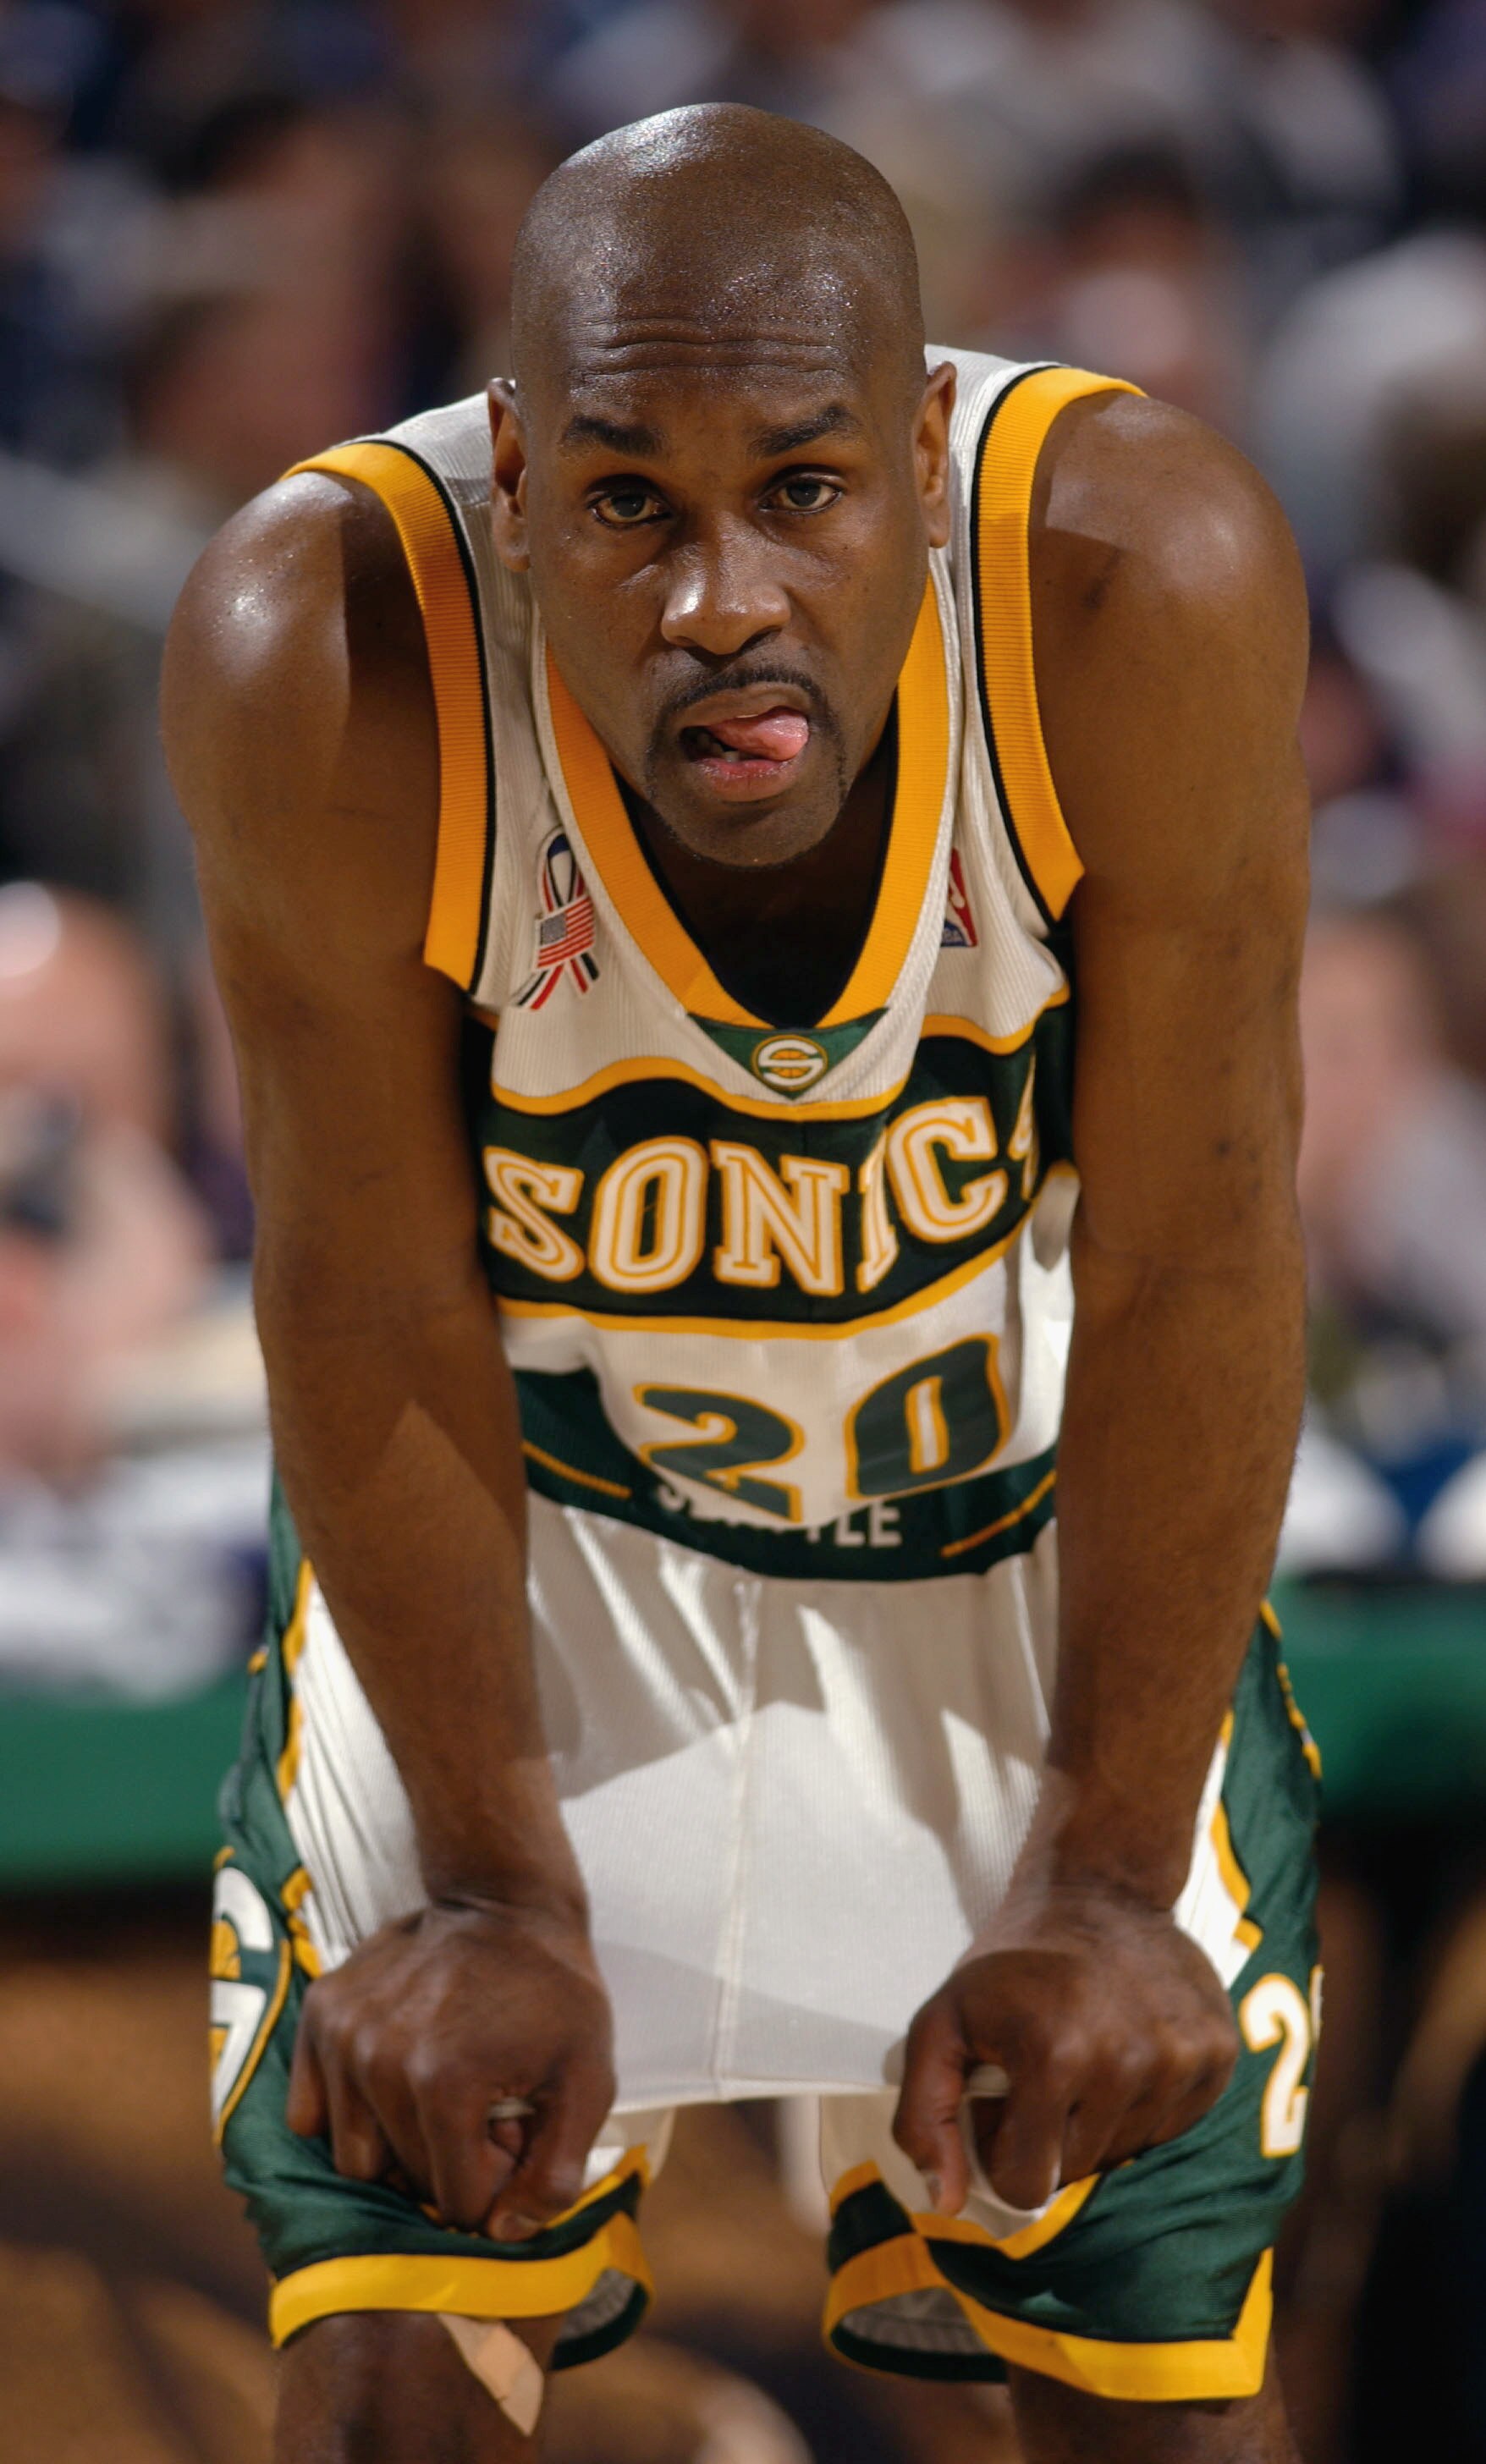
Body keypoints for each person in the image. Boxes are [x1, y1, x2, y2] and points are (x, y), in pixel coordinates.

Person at [164, 103, 1317, 2464]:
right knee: (389, 2377)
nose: (713, 598)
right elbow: (366, 1304)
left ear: (919, 443)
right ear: (506, 478)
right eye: (621, 504)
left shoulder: (1136, 577)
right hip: (535, 1541)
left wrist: (1105, 1874)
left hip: (1001, 1516)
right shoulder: (327, 635)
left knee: (1145, 2401)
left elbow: (1201, 1259)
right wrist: (491, 1881)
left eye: (798, 488)